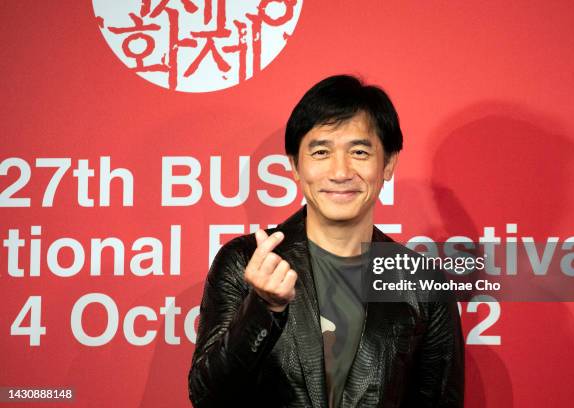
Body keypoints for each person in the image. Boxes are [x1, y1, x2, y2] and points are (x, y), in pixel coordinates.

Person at [188, 74, 464, 407]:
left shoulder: (421, 281)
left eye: (360, 152)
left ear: (388, 164)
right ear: (294, 165)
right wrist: (263, 308)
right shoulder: (244, 262)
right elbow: (207, 397)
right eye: (320, 152)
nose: (340, 172)